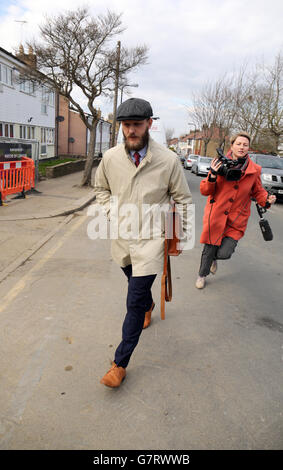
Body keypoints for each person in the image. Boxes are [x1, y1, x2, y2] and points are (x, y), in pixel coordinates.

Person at [94, 98, 192, 387]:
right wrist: (111, 211)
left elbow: (183, 200)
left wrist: (181, 236)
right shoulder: (110, 158)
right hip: (122, 241)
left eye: (137, 125)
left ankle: (119, 363)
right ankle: (149, 304)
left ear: (150, 124)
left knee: (133, 301)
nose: (131, 131)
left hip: (152, 242)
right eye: (126, 125)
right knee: (135, 288)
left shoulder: (168, 160)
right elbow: (100, 188)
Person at [195, 132, 276, 289]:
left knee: (225, 252)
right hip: (217, 214)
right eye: (238, 144)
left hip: (237, 218)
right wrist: (212, 174)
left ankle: (214, 259)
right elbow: (205, 190)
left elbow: (258, 191)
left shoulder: (254, 170)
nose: (242, 147)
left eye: (245, 145)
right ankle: (201, 276)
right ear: (231, 146)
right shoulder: (219, 164)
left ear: (248, 148)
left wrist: (267, 199)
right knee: (209, 248)